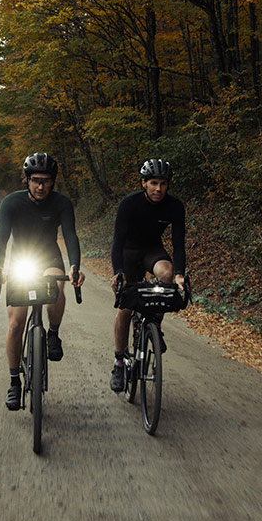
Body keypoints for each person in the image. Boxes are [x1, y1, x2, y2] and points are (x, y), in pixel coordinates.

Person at [0, 152, 86, 411]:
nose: (41, 186)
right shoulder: (11, 203)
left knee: (56, 287)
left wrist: (74, 266)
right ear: (27, 179)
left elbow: (71, 236)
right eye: (36, 180)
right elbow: (0, 239)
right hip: (21, 260)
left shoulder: (62, 203)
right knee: (16, 323)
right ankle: (14, 383)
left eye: (46, 181)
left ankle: (53, 334)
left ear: (53, 181)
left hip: (49, 258)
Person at [109, 158, 186, 393]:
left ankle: (154, 324)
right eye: (153, 183)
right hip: (128, 251)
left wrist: (180, 275)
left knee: (167, 273)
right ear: (144, 183)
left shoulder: (174, 206)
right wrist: (118, 272)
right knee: (125, 308)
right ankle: (119, 362)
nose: (158, 189)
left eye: (163, 183)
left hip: (152, 250)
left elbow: (178, 244)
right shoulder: (129, 203)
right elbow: (117, 241)